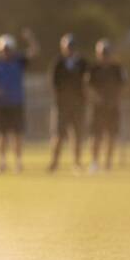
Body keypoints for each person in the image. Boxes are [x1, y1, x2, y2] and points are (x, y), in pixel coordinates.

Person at [0, 29, 39, 174]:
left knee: (17, 135)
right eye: (4, 49)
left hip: (16, 103)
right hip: (1, 104)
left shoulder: (19, 61)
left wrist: (30, 39)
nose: (6, 52)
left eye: (8, 49)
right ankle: (2, 162)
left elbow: (33, 52)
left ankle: (18, 162)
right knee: (1, 135)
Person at [47, 33, 89, 173]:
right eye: (67, 47)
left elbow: (88, 81)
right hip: (62, 105)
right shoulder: (58, 63)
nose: (70, 49)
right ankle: (54, 161)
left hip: (78, 104)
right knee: (58, 135)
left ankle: (77, 162)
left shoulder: (82, 63)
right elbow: (53, 83)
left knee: (77, 135)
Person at [87, 39, 126, 172]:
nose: (105, 56)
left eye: (107, 53)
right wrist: (96, 98)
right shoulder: (93, 69)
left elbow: (122, 86)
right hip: (98, 108)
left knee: (111, 135)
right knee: (96, 136)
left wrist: (115, 99)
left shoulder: (117, 69)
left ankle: (108, 162)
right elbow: (88, 86)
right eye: (103, 53)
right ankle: (94, 161)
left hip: (112, 107)